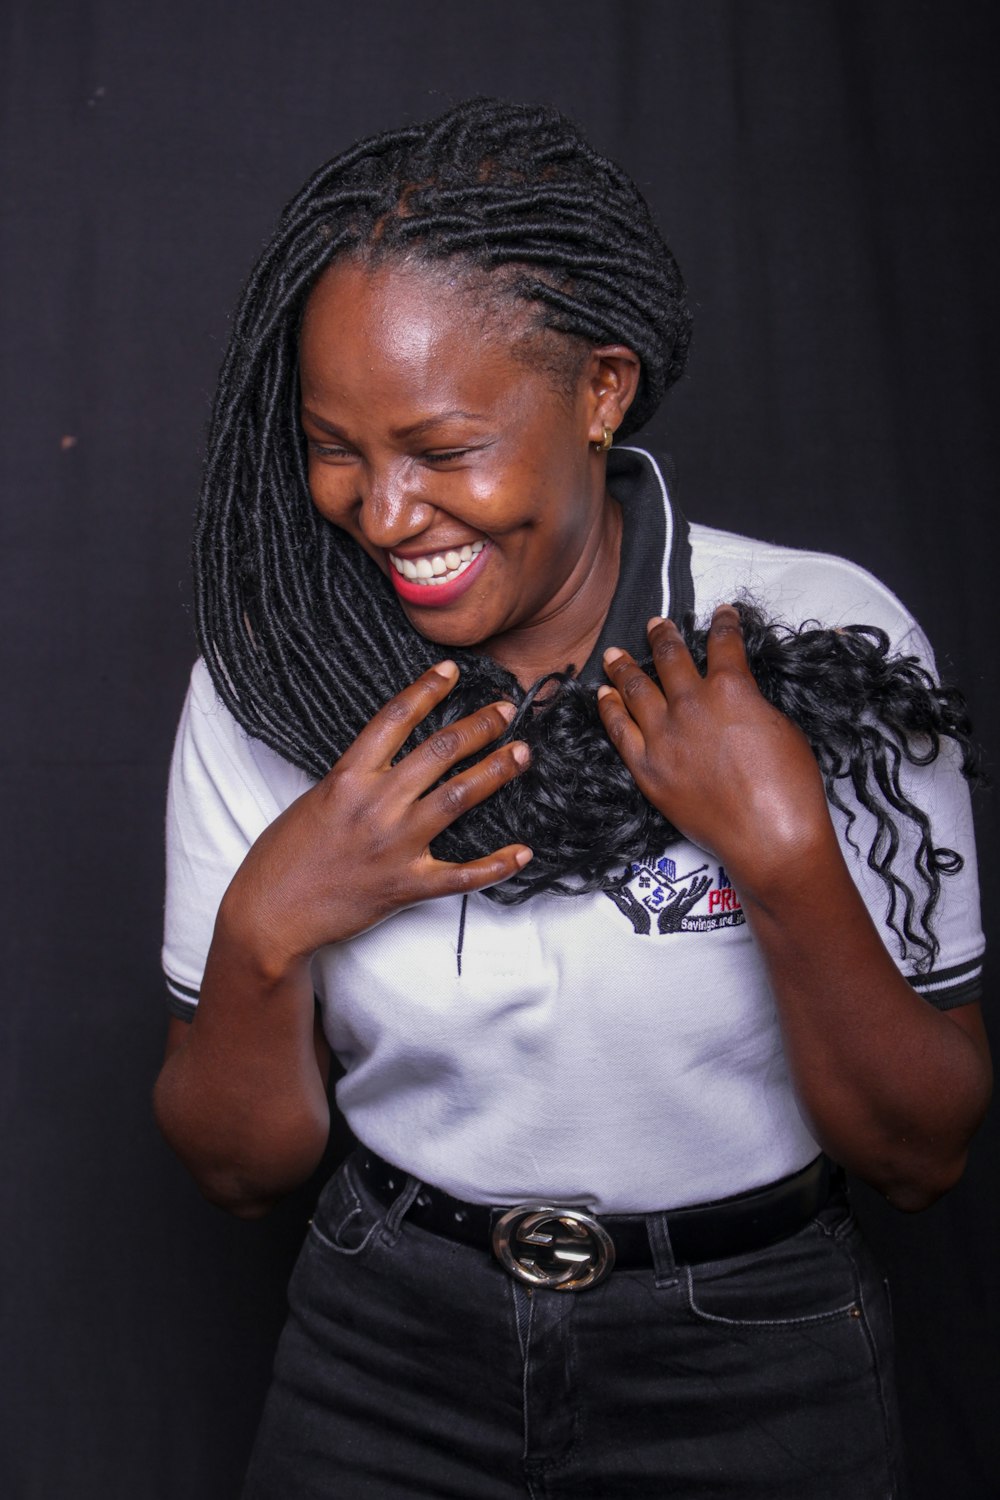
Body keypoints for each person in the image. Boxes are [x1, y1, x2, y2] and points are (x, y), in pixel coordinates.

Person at [153, 98, 990, 1498]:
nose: (381, 513)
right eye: (337, 447)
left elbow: (922, 1156)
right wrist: (266, 929)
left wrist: (784, 860)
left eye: (441, 448)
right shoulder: (275, 683)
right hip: (385, 1348)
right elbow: (238, 1174)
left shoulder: (809, 637)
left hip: (750, 1358)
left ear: (599, 392)